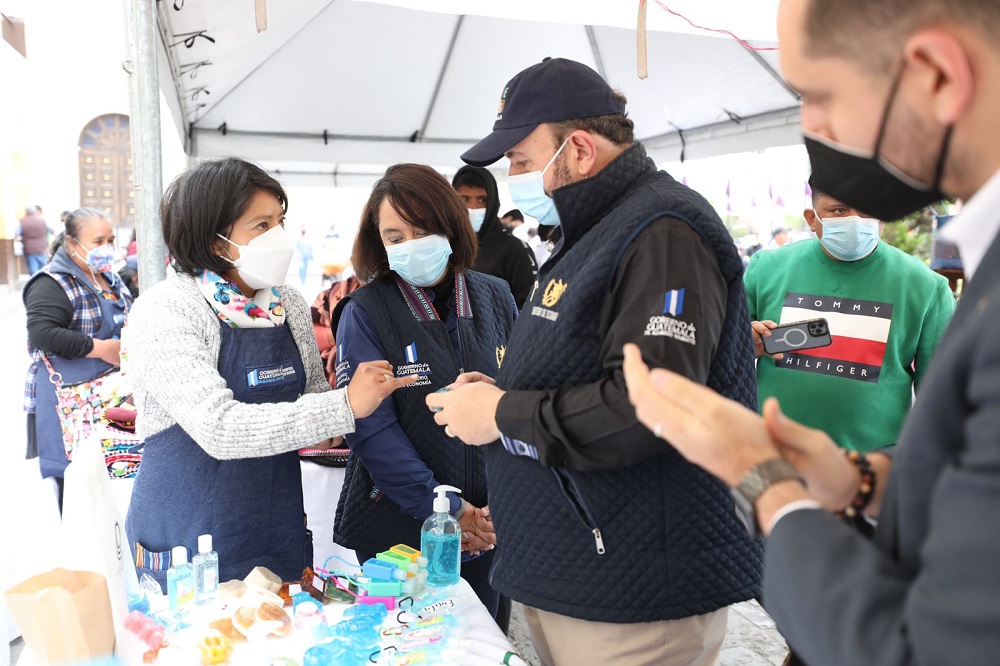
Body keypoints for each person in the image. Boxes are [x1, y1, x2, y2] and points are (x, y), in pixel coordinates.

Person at [622, 0, 1000, 664]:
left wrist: (760, 479)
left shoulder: (926, 284)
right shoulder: (977, 262)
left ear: (937, 74)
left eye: (818, 95)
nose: (811, 129)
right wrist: (859, 479)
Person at [426, 58, 762, 665]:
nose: (512, 177)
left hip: (636, 590)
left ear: (579, 149)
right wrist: (500, 390)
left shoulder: (663, 231)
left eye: (521, 160)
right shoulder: (596, 231)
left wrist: (500, 414)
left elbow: (651, 407)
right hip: (578, 569)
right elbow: (585, 364)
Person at [123, 157, 415, 588]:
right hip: (189, 537)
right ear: (215, 240)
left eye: (279, 221)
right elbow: (219, 428)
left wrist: (362, 401)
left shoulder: (287, 305)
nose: (278, 236)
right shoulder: (169, 309)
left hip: (273, 525)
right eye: (261, 226)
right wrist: (344, 406)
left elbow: (314, 401)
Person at [332, 164, 517, 620]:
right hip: (399, 528)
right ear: (379, 242)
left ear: (449, 226)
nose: (410, 245)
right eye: (395, 237)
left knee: (482, 638)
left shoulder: (496, 296)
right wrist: (450, 510)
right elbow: (371, 430)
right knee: (406, 641)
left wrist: (499, 506)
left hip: (488, 527)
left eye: (422, 230)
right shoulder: (366, 311)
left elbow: (519, 400)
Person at [747, 181, 955, 456]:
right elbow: (725, 354)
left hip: (871, 465)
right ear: (812, 219)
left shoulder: (926, 287)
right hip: (773, 452)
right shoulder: (765, 269)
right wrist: (746, 342)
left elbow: (942, 400)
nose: (855, 221)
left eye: (868, 211)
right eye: (839, 210)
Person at [23, 207, 132, 509]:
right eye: (98, 241)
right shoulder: (50, 283)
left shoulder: (109, 277)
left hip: (115, 395)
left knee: (119, 475)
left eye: (110, 240)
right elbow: (43, 333)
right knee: (78, 486)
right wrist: (102, 349)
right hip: (70, 400)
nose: (107, 248)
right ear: (72, 243)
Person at [452, 167, 537, 308]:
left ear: (492, 202)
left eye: (482, 200)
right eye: (465, 199)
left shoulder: (514, 249)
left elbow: (529, 305)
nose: (473, 207)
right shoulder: (446, 245)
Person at [15, 206, 56, 275]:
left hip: (29, 249)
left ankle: (34, 280)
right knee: (43, 268)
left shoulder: (22, 222)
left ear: (26, 213)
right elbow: (52, 231)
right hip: (42, 248)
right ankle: (42, 280)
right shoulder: (43, 220)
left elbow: (16, 234)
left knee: (33, 269)